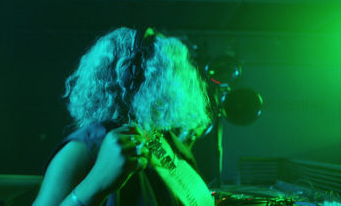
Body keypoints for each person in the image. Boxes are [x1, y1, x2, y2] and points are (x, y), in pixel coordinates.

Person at [33, 27, 214, 206]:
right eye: (165, 72)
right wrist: (97, 182)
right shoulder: (82, 149)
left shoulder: (164, 140)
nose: (178, 86)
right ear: (131, 76)